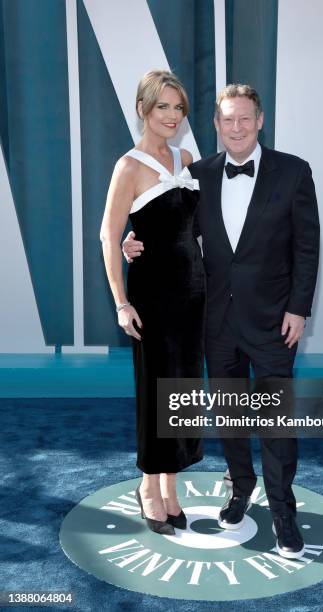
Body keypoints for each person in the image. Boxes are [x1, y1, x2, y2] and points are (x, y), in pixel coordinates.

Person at [123, 84, 320, 558]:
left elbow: (307, 248)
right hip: (215, 320)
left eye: (245, 118)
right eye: (228, 119)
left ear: (260, 120)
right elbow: (175, 232)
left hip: (276, 321)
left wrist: (299, 308)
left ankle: (283, 512)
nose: (237, 127)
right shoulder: (198, 173)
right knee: (231, 416)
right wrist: (135, 242)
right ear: (215, 124)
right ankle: (239, 492)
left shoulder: (294, 172)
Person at [100, 70, 205, 536]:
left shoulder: (186, 158)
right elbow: (108, 234)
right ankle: (149, 486)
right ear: (143, 109)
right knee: (155, 391)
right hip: (154, 298)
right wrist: (122, 302)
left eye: (178, 107)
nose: (172, 115)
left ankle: (171, 487)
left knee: (182, 394)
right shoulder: (129, 166)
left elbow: (195, 230)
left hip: (193, 296)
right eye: (163, 106)